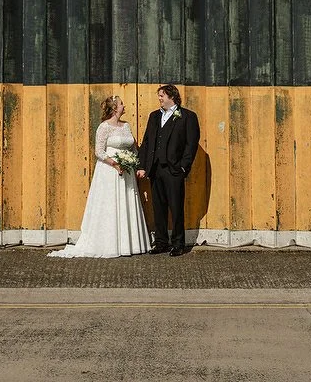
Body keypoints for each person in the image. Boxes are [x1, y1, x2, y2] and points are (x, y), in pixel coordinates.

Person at [48, 95, 150, 258]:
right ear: (115, 108)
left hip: (127, 172)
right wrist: (115, 164)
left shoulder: (126, 126)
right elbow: (99, 151)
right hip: (109, 172)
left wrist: (134, 163)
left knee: (126, 202)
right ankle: (108, 243)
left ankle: (128, 243)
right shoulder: (104, 127)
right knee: (109, 204)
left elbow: (133, 149)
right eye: (121, 104)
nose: (124, 106)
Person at [136, 84, 199, 256]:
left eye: (162, 95)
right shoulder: (154, 116)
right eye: (159, 96)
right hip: (155, 169)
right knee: (159, 208)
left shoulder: (187, 116)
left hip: (174, 170)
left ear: (172, 96)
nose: (159, 99)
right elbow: (147, 142)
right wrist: (142, 165)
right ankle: (161, 242)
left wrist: (183, 167)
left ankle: (178, 243)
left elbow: (191, 145)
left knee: (176, 208)